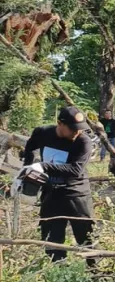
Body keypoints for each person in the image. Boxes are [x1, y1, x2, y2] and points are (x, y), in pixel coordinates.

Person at [23, 106, 93, 261]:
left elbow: (76, 169)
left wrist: (43, 166)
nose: (77, 132)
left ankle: (95, 273)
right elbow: (29, 148)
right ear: (59, 124)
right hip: (51, 194)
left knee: (86, 237)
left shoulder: (83, 141)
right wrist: (26, 170)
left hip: (76, 194)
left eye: (80, 129)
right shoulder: (43, 133)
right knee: (51, 239)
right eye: (73, 129)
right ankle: (57, 275)